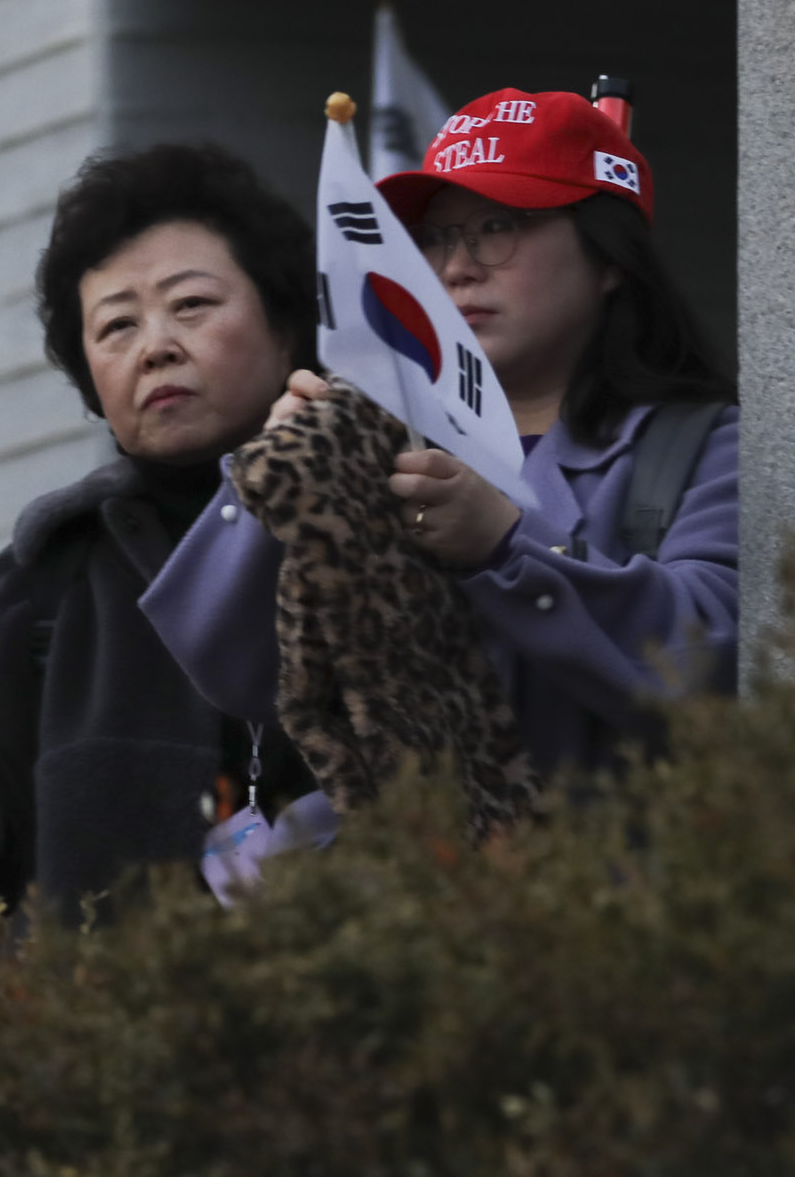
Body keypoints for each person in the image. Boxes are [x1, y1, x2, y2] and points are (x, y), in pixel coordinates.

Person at [150, 89, 736, 776]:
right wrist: (271, 484)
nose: (457, 266)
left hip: (614, 880)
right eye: (433, 237)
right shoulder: (381, 439)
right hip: (410, 874)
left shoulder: (708, 447)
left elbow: (722, 672)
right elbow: (231, 673)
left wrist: (508, 546)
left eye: (499, 226)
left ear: (610, 258)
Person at [0, 145, 319, 912]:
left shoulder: (401, 511)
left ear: (285, 329)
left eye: (192, 306)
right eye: (116, 326)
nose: (157, 347)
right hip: (120, 1028)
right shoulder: (44, 580)